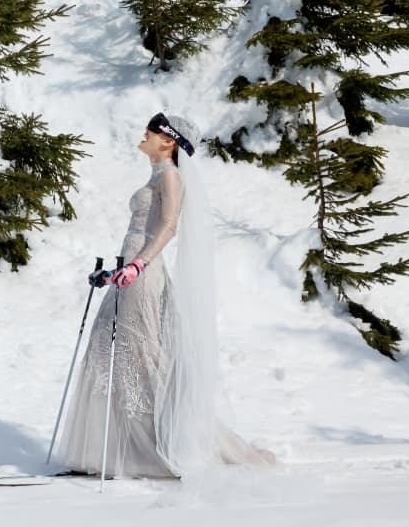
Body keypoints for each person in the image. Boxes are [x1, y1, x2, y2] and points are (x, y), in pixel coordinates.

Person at [51, 112, 272, 479]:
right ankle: (111, 450)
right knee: (108, 349)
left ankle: (150, 451)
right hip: (132, 269)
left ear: (167, 141)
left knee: (136, 357)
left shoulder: (171, 176)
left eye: (151, 131)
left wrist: (138, 266)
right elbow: (142, 229)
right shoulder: (156, 177)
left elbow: (168, 227)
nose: (144, 134)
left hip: (143, 273)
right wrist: (113, 272)